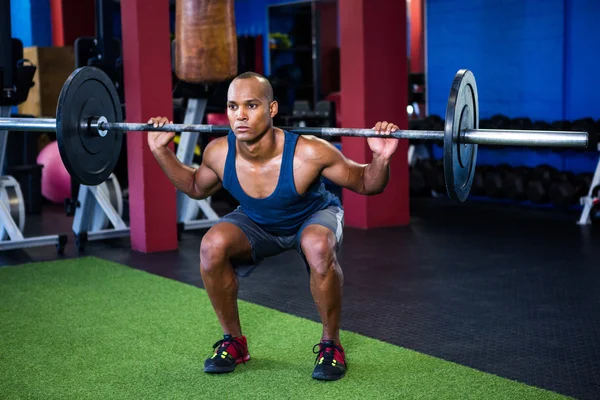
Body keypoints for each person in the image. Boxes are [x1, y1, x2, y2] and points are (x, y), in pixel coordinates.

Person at [147, 71, 400, 381]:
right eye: (232, 106)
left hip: (311, 217)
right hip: (258, 221)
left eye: (251, 105)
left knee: (317, 246)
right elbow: (195, 186)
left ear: (272, 109)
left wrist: (381, 158)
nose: (239, 115)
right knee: (211, 246)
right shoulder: (219, 152)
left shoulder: (309, 152)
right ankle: (234, 342)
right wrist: (161, 151)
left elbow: (365, 183)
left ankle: (331, 344)